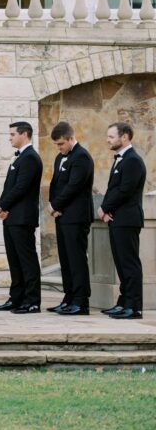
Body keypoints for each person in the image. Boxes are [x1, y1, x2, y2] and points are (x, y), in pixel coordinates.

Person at [0, 122, 44, 314]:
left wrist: (2, 205)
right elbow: (10, 186)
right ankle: (16, 297)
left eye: (13, 134)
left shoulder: (30, 158)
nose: (10, 138)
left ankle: (32, 301)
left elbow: (21, 187)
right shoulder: (21, 157)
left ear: (24, 134)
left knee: (27, 260)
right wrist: (3, 206)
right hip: (12, 216)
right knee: (14, 261)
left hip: (22, 218)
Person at [98, 122, 146, 320]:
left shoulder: (133, 160)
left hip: (128, 219)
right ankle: (123, 303)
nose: (107, 140)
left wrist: (104, 208)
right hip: (117, 218)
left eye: (111, 136)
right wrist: (107, 210)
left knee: (129, 264)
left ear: (124, 137)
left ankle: (134, 307)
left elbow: (125, 190)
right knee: (121, 263)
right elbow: (114, 189)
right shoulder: (121, 159)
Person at [47, 121, 95, 316]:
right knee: (65, 260)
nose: (59, 148)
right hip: (62, 216)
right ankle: (68, 298)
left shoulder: (82, 157)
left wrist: (55, 205)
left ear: (71, 138)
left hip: (77, 217)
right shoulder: (60, 157)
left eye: (61, 144)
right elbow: (55, 185)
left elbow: (74, 187)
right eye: (56, 144)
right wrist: (54, 207)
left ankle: (81, 302)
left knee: (76, 260)